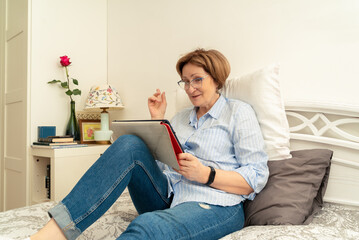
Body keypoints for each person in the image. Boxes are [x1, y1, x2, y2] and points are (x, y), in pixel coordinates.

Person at [30, 49, 269, 240]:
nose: (190, 88)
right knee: (129, 143)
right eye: (185, 81)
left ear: (217, 79)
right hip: (169, 196)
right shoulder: (180, 118)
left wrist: (205, 174)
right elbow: (159, 166)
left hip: (216, 204)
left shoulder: (238, 112)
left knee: (147, 225)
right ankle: (55, 233)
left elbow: (256, 177)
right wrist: (158, 122)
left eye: (197, 79)